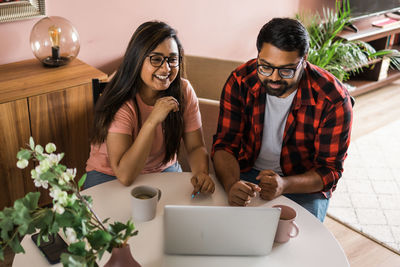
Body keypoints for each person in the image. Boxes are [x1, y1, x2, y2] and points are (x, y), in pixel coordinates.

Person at [211, 18, 353, 222]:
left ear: (304, 59)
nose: (274, 78)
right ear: (258, 55)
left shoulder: (333, 100)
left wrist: (285, 185)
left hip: (302, 185)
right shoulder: (241, 81)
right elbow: (225, 144)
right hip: (243, 172)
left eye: (286, 70)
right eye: (265, 67)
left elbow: (329, 171)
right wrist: (232, 183)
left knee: (301, 243)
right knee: (222, 228)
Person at [85, 21, 215, 197]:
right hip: (109, 175)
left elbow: (196, 147)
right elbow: (125, 175)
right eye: (156, 59)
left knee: (183, 216)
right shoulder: (122, 101)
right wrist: (153, 120)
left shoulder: (183, 91)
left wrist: (201, 172)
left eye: (172, 59)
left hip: (162, 169)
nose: (166, 68)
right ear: (137, 59)